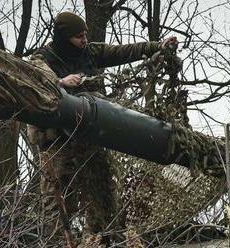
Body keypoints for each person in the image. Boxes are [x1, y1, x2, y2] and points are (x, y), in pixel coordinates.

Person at [29, 11, 179, 236]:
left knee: (100, 193)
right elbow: (35, 78)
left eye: (85, 35)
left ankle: (99, 239)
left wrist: (156, 46)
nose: (84, 40)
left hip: (88, 135)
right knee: (59, 201)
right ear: (64, 38)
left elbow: (122, 52)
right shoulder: (43, 58)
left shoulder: (90, 52)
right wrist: (60, 82)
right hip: (57, 142)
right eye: (78, 36)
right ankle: (57, 241)